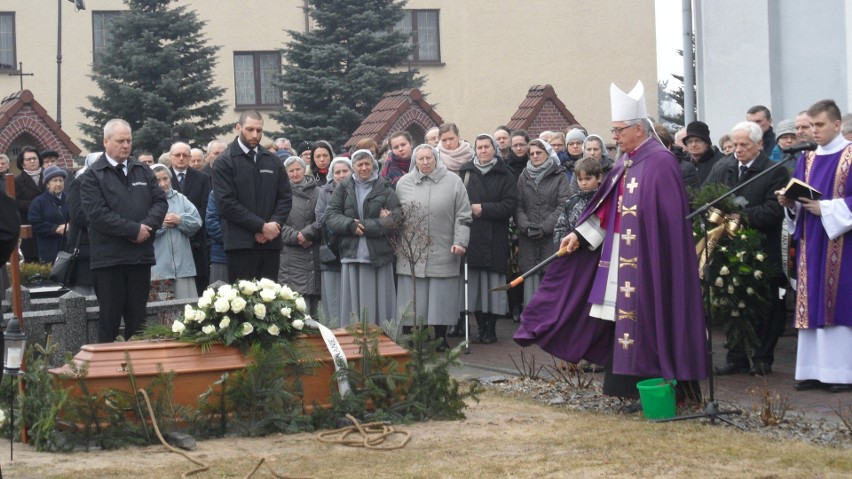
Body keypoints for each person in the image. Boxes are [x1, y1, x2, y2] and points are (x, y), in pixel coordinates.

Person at [514, 81, 708, 406]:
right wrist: (580, 234)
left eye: (618, 130)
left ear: (637, 129)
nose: (614, 136)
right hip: (621, 256)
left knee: (651, 320)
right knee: (624, 320)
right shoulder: (625, 161)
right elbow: (606, 210)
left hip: (650, 261)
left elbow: (667, 222)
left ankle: (666, 390)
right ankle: (630, 390)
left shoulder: (661, 163)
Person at [776, 99, 852, 393]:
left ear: (836, 125)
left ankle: (841, 372)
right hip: (811, 239)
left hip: (843, 244)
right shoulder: (805, 159)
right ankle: (811, 370)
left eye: (819, 125)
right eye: (811, 126)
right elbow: (798, 196)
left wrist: (828, 209)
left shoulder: (849, 156)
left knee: (838, 302)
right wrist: (790, 202)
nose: (814, 131)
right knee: (811, 301)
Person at [704, 121, 789, 376]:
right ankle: (737, 356)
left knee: (765, 305)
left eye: (744, 145)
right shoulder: (724, 167)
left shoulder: (774, 171)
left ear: (759, 144)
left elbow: (774, 210)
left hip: (761, 249)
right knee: (732, 302)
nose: (738, 149)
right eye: (736, 144)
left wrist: (742, 217)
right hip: (728, 248)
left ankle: (762, 358)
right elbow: (708, 195)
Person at [80, 119, 168, 342]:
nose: (126, 145)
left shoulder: (142, 170)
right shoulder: (93, 176)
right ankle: (107, 373)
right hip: (109, 261)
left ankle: (138, 372)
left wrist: (146, 227)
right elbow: (98, 215)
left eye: (129, 140)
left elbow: (160, 202)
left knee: (138, 322)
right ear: (106, 142)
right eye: (120, 141)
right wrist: (133, 230)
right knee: (109, 321)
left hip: (140, 258)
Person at [395, 144, 471, 349]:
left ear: (436, 159)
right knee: (411, 295)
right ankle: (409, 337)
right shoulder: (403, 183)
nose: (425, 162)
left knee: (441, 296)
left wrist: (460, 241)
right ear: (415, 161)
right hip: (411, 251)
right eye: (421, 159)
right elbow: (396, 215)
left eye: (429, 158)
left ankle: (440, 338)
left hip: (444, 248)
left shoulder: (454, 182)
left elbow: (463, 216)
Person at [212, 110, 292, 283]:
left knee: (270, 304)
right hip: (240, 245)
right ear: (238, 128)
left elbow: (285, 198)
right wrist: (261, 226)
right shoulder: (225, 161)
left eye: (259, 130)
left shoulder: (273, 160)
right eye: (250, 129)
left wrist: (274, 225)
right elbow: (226, 203)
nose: (255, 135)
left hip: (270, 243)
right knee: (243, 305)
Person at [325, 149, 400, 327]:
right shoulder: (343, 188)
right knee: (353, 306)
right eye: (359, 164)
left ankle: (383, 338)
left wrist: (366, 227)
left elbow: (396, 217)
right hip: (352, 253)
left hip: (379, 255)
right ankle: (352, 341)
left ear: (373, 165)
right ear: (353, 167)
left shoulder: (385, 187)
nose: (364, 167)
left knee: (380, 302)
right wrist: (351, 225)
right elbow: (331, 215)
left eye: (367, 163)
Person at [459, 134, 519, 344]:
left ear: (494, 149)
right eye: (479, 147)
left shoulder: (506, 175)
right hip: (472, 237)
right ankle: (480, 327)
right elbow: (457, 202)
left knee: (492, 285)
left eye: (487, 147)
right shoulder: (465, 172)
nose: (483, 151)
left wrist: (483, 209)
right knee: (474, 286)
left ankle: (491, 328)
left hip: (495, 237)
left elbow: (509, 205)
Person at [515, 140, 570, 308]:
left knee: (550, 283)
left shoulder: (559, 175)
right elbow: (517, 205)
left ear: (547, 153)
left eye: (539, 153)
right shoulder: (524, 176)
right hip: (528, 238)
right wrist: (526, 226)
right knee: (530, 282)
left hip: (551, 238)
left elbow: (563, 205)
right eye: (531, 153)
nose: (535, 156)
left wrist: (544, 227)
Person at [151, 164, 202, 300]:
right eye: (157, 180)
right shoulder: (146, 200)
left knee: (186, 310)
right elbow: (143, 228)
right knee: (161, 316)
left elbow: (197, 221)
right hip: (158, 268)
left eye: (165, 179)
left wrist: (179, 220)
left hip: (183, 267)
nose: (163, 184)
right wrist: (162, 225)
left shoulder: (180, 199)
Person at [278, 156, 321, 317]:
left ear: (305, 170)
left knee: (316, 308)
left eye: (298, 169)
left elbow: (324, 218)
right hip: (290, 256)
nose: (295, 174)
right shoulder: (279, 193)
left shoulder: (319, 192)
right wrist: (298, 236)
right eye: (291, 171)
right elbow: (276, 223)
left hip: (313, 250)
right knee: (295, 306)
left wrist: (308, 233)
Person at [170, 142, 211, 293]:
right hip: (171, 239)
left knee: (200, 288)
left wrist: (188, 223)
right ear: (171, 157)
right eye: (177, 155)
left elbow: (205, 207)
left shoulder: (202, 178)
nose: (181, 158)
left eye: (185, 155)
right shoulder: (162, 177)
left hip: (197, 239)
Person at [315, 157, 352, 326]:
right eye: (337, 172)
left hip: (353, 247)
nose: (341, 175)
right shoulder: (325, 192)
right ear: (332, 174)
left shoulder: (357, 189)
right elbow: (321, 218)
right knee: (333, 296)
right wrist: (346, 223)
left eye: (345, 171)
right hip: (331, 248)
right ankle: (335, 329)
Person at [63, 154, 100, 296]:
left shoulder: (110, 182)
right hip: (84, 248)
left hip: (104, 249)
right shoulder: (79, 183)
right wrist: (105, 222)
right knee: (84, 296)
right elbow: (77, 214)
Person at [553, 157, 603, 244]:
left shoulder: (604, 201)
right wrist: (566, 239)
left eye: (588, 179)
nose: (583, 183)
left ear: (599, 178)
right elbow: (559, 229)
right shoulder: (572, 203)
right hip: (573, 252)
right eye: (580, 179)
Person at [28, 165, 69, 264]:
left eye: (61, 180)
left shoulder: (70, 198)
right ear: (47, 184)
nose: (58, 184)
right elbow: (36, 223)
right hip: (49, 246)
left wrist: (70, 226)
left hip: (69, 245)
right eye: (54, 180)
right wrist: (55, 228)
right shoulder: (39, 202)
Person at [14, 146, 45, 262]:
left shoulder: (48, 176)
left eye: (34, 158)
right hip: (29, 224)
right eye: (28, 159)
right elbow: (15, 203)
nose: (32, 161)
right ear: (22, 164)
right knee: (33, 259)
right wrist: (36, 205)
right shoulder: (17, 181)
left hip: (49, 224)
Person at [683, 120, 724, 185]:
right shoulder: (684, 163)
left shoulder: (721, 163)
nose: (693, 145)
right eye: (690, 141)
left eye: (697, 141)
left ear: (707, 143)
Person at [205, 190, 228, 285]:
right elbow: (211, 224)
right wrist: (235, 241)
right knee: (218, 295)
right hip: (221, 256)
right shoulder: (216, 193)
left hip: (248, 254)